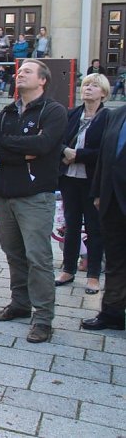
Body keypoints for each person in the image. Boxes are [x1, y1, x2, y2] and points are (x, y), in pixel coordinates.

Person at [0, 59, 68, 343]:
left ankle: (43, 318)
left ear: (42, 80)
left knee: (39, 258)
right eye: (19, 72)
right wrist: (23, 152)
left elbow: (45, 146)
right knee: (14, 254)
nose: (19, 74)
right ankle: (20, 304)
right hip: (5, 193)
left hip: (35, 196)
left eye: (27, 72)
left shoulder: (54, 111)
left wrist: (13, 145)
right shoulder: (8, 111)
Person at [56, 74, 110, 295]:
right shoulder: (72, 114)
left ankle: (93, 275)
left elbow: (106, 152)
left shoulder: (108, 118)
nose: (88, 88)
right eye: (86, 84)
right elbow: (55, 140)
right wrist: (64, 151)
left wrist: (78, 154)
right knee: (71, 226)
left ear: (103, 93)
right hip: (69, 179)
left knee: (95, 229)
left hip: (93, 182)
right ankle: (68, 269)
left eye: (94, 86)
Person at [81, 97, 126, 331]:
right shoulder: (116, 115)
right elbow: (105, 159)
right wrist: (98, 192)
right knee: (116, 260)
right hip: (113, 201)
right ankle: (112, 312)